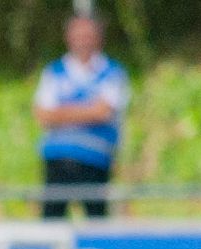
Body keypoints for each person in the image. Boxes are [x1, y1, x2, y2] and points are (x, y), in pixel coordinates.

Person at [34, 7, 130, 220]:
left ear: (98, 37)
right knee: (51, 222)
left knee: (96, 223)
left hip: (95, 160)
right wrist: (87, 110)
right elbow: (43, 115)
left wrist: (61, 113)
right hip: (58, 160)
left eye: (88, 34)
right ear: (68, 36)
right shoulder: (54, 71)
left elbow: (103, 112)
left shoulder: (112, 72)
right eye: (78, 34)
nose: (82, 40)